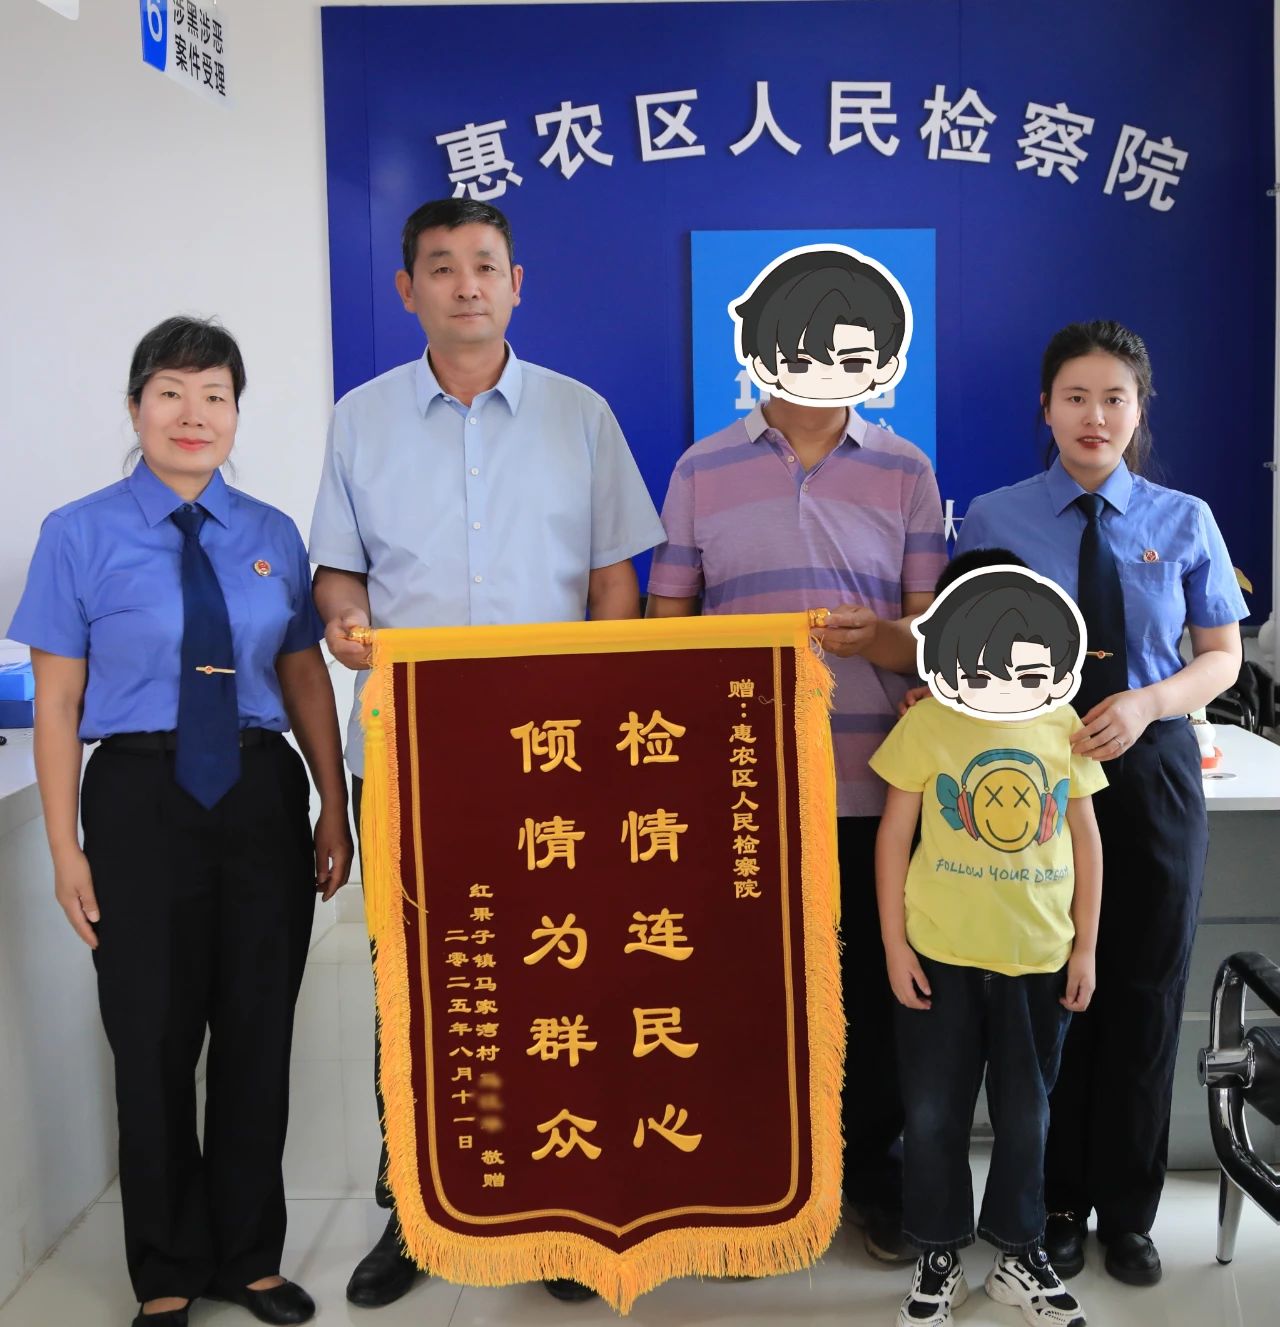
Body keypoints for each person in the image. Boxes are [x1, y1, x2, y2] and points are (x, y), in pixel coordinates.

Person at [308, 196, 665, 1308]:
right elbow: (338, 570)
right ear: (405, 288)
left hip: (553, 755)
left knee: (558, 969)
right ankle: (414, 1207)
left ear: (517, 284)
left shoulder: (580, 414)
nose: (465, 283)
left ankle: (558, 1206)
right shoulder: (360, 420)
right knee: (414, 980)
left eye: (484, 265)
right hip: (409, 753)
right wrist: (342, 619)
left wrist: (597, 724)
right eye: (441, 266)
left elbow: (614, 580)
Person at [8, 317, 353, 1327]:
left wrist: (333, 803)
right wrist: (65, 847)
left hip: (258, 793)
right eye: (170, 392)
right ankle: (164, 1265)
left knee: (257, 1028)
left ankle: (249, 1257)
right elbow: (58, 703)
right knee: (150, 1036)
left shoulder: (272, 534)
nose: (193, 413)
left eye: (215, 395)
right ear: (135, 408)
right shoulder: (78, 533)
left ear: (236, 413)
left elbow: (302, 675)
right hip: (138, 798)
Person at [647, 242, 946, 1262]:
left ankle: (871, 1174)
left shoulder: (905, 471)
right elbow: (666, 627)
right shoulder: (700, 468)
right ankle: (750, 1175)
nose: (830, 369)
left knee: (869, 990)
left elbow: (933, 640)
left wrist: (883, 639)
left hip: (874, 785)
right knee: (746, 989)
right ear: (766, 348)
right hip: (742, 785)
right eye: (813, 348)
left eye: (856, 353)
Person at [955, 320, 1246, 1286]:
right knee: (1051, 986)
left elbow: (1220, 656)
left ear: (1138, 410)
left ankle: (1128, 1213)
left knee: (1144, 989)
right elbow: (963, 645)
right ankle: (1056, 1204)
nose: (1095, 415)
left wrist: (1150, 702)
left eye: (1115, 398)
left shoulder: (1184, 518)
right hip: (1035, 773)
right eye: (1075, 396)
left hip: (1152, 768)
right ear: (1045, 408)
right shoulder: (994, 518)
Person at [871, 549, 1104, 1327]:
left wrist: (1086, 946)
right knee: (933, 1113)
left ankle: (1019, 1252)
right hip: (939, 956)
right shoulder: (927, 723)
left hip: (1038, 957)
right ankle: (939, 1253)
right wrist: (895, 945)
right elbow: (894, 836)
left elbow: (1086, 838)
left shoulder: (1062, 724)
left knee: (1027, 1115)